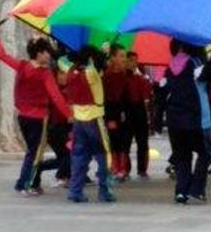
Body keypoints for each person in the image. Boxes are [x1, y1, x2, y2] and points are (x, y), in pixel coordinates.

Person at [0, 25, 71, 196]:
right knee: (35, 153)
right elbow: (56, 96)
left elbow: (1, 55)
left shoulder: (22, 66)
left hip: (22, 117)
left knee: (32, 151)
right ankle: (24, 183)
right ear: (40, 53)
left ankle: (33, 183)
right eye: (47, 52)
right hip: (39, 118)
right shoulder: (45, 74)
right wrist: (69, 115)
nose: (49, 55)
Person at [156, 40, 211, 204]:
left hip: (174, 120)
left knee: (182, 157)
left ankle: (181, 191)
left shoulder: (169, 68)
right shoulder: (195, 64)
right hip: (197, 119)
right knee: (205, 153)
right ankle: (197, 189)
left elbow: (160, 93)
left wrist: (158, 120)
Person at [65, 46, 115, 203]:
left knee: (79, 155)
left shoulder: (70, 71)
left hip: (78, 120)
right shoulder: (91, 73)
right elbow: (100, 65)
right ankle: (104, 190)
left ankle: (75, 190)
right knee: (103, 154)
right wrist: (105, 52)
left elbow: (61, 60)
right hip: (95, 118)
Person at [121, 51, 152, 179]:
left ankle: (142, 170)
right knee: (125, 142)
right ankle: (125, 169)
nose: (134, 63)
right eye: (131, 60)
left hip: (139, 111)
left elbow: (147, 96)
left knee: (142, 142)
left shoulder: (142, 77)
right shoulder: (121, 77)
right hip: (126, 111)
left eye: (135, 60)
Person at [102, 45, 129, 179]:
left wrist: (124, 110)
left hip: (124, 111)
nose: (124, 59)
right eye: (121, 56)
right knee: (113, 139)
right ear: (112, 58)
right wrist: (109, 116)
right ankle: (115, 167)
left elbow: (126, 95)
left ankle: (123, 168)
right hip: (111, 110)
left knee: (123, 140)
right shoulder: (107, 75)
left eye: (125, 56)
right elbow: (106, 97)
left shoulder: (125, 74)